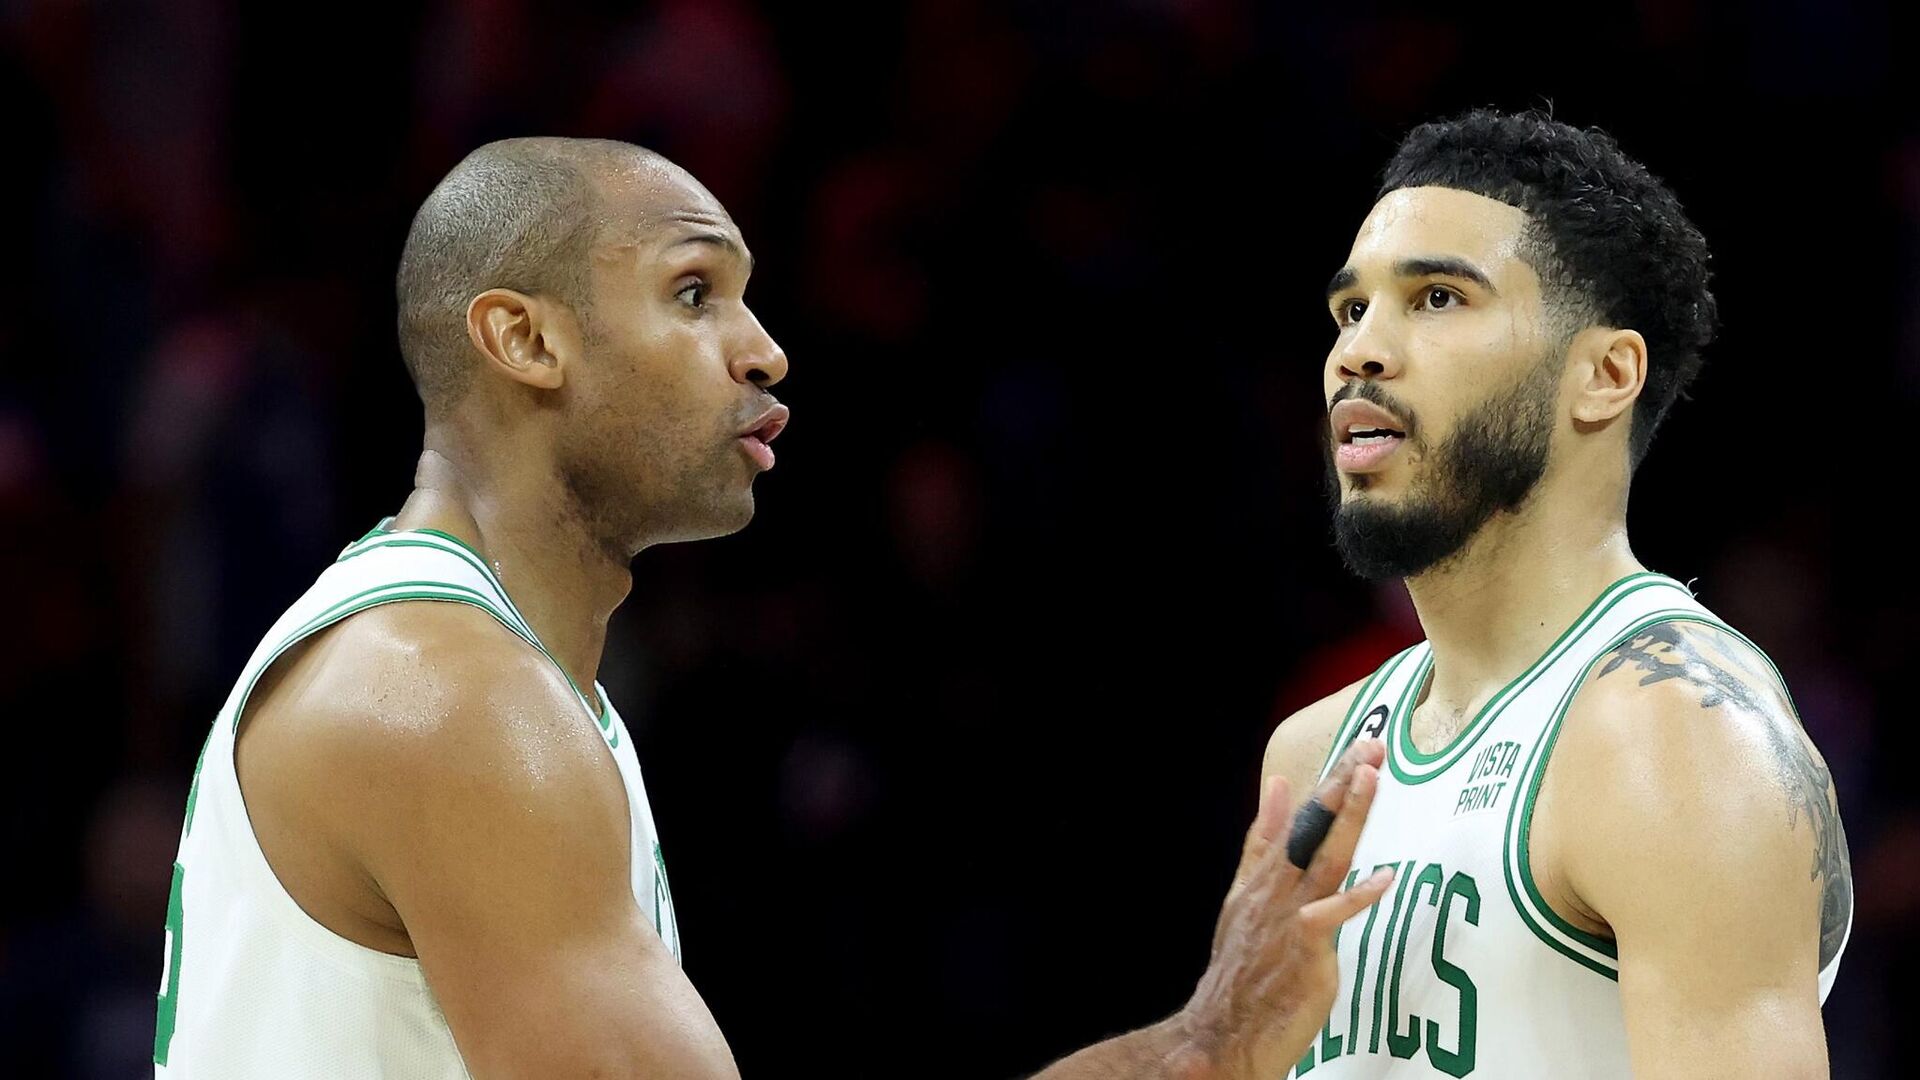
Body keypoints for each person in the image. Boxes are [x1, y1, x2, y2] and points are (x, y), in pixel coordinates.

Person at [153, 137, 1394, 1079]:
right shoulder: (453, 698)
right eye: (694, 292)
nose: (763, 350)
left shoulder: (483, 670)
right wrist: (1203, 1049)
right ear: (524, 340)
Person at [1262, 110, 1853, 1079]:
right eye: (1351, 309)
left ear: (1605, 376)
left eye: (1438, 297)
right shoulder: (1311, 753)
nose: (1358, 352)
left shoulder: (1676, 738)